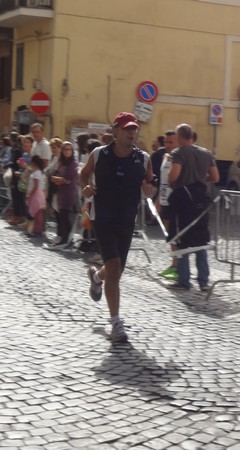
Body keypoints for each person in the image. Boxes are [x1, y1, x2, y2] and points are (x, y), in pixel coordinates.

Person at [79, 112, 156, 343]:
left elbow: (150, 182)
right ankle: (116, 324)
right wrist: (85, 188)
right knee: (114, 268)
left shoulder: (143, 158)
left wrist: (150, 188)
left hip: (126, 220)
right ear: (115, 131)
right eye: (127, 129)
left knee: (116, 271)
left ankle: (96, 277)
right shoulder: (99, 154)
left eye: (134, 129)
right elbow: (83, 175)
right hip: (102, 218)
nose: (132, 133)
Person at [166, 124, 219, 291]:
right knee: (200, 239)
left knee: (182, 238)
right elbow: (215, 176)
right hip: (201, 198)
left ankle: (184, 280)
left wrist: (170, 181)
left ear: (180, 137)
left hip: (183, 199)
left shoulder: (179, 153)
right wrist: (202, 179)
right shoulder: (206, 153)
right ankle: (203, 281)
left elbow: (174, 175)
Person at [155, 130, 179, 280]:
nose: (168, 145)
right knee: (169, 235)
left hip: (174, 200)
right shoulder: (164, 156)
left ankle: (177, 266)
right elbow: (162, 181)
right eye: (166, 142)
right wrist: (158, 199)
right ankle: (174, 263)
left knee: (175, 235)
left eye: (171, 142)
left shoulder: (178, 158)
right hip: (164, 198)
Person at [49, 141, 79, 246]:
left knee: (65, 216)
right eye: (65, 149)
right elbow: (54, 174)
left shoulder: (73, 163)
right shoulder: (61, 162)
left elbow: (66, 180)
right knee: (62, 216)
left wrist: (56, 179)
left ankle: (68, 239)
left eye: (69, 149)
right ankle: (64, 238)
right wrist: (56, 179)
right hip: (60, 192)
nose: (67, 151)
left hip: (69, 192)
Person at [26, 155, 46, 237]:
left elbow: (35, 186)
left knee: (37, 214)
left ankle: (38, 230)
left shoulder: (36, 173)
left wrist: (29, 195)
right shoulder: (39, 172)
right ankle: (37, 230)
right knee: (38, 213)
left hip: (36, 194)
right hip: (39, 194)